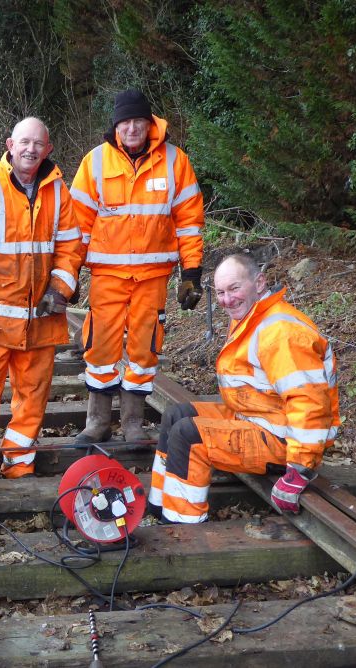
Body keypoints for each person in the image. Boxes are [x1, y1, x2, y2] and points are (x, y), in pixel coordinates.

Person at [148, 253, 340, 523]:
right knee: (176, 415)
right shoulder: (251, 316)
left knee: (189, 435)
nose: (227, 300)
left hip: (283, 439)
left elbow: (310, 402)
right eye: (221, 292)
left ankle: (182, 525)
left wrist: (299, 469)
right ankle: (158, 507)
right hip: (255, 419)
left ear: (259, 282)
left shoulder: (281, 331)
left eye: (234, 288)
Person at [0, 117, 84, 482]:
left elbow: (71, 247)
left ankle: (18, 465)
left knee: (33, 397)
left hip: (40, 317)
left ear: (48, 149)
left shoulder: (58, 191)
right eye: (24, 142)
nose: (31, 149)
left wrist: (61, 289)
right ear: (10, 144)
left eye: (38, 144)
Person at [70, 89, 205, 444]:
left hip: (153, 277)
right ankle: (97, 420)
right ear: (116, 126)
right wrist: (68, 272)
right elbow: (76, 225)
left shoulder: (175, 161)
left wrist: (191, 273)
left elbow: (189, 222)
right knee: (100, 347)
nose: (132, 128)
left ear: (150, 124)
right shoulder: (95, 162)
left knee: (145, 349)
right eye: (125, 122)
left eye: (138, 121)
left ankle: (133, 423)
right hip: (107, 275)